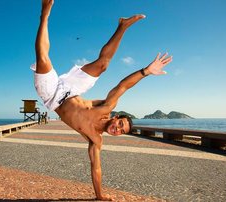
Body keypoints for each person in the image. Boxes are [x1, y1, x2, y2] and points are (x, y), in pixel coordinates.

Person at [34, 0, 172, 200]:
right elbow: (122, 86)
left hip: (52, 97)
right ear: (117, 117)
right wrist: (146, 71)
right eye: (121, 125)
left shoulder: (95, 140)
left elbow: (96, 168)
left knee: (43, 58)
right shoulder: (107, 107)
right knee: (102, 65)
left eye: (120, 132)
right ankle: (122, 25)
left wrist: (99, 197)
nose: (117, 130)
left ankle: (44, 14)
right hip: (72, 89)